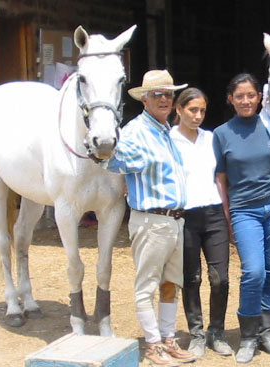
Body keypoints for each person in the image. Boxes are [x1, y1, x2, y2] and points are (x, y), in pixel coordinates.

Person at [100, 69, 195, 366]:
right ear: (144, 99)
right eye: (158, 94)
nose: (165, 99)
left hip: (174, 220)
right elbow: (113, 161)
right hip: (152, 220)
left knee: (170, 283)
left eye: (168, 94)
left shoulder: (166, 131)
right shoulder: (135, 131)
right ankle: (153, 345)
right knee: (147, 285)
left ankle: (167, 340)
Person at [212, 73, 270, 364]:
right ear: (230, 99)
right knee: (254, 272)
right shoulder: (222, 134)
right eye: (240, 96)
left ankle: (266, 332)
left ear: (260, 98)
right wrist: (227, 214)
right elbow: (221, 179)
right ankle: (247, 337)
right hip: (244, 210)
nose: (246, 101)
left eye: (251, 95)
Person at [170, 88, 232, 359]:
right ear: (179, 110)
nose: (197, 116)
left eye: (202, 111)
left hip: (214, 214)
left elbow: (221, 177)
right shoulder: (168, 139)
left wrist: (228, 215)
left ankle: (216, 332)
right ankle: (196, 333)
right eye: (192, 110)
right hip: (185, 216)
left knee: (220, 279)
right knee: (191, 278)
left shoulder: (211, 138)